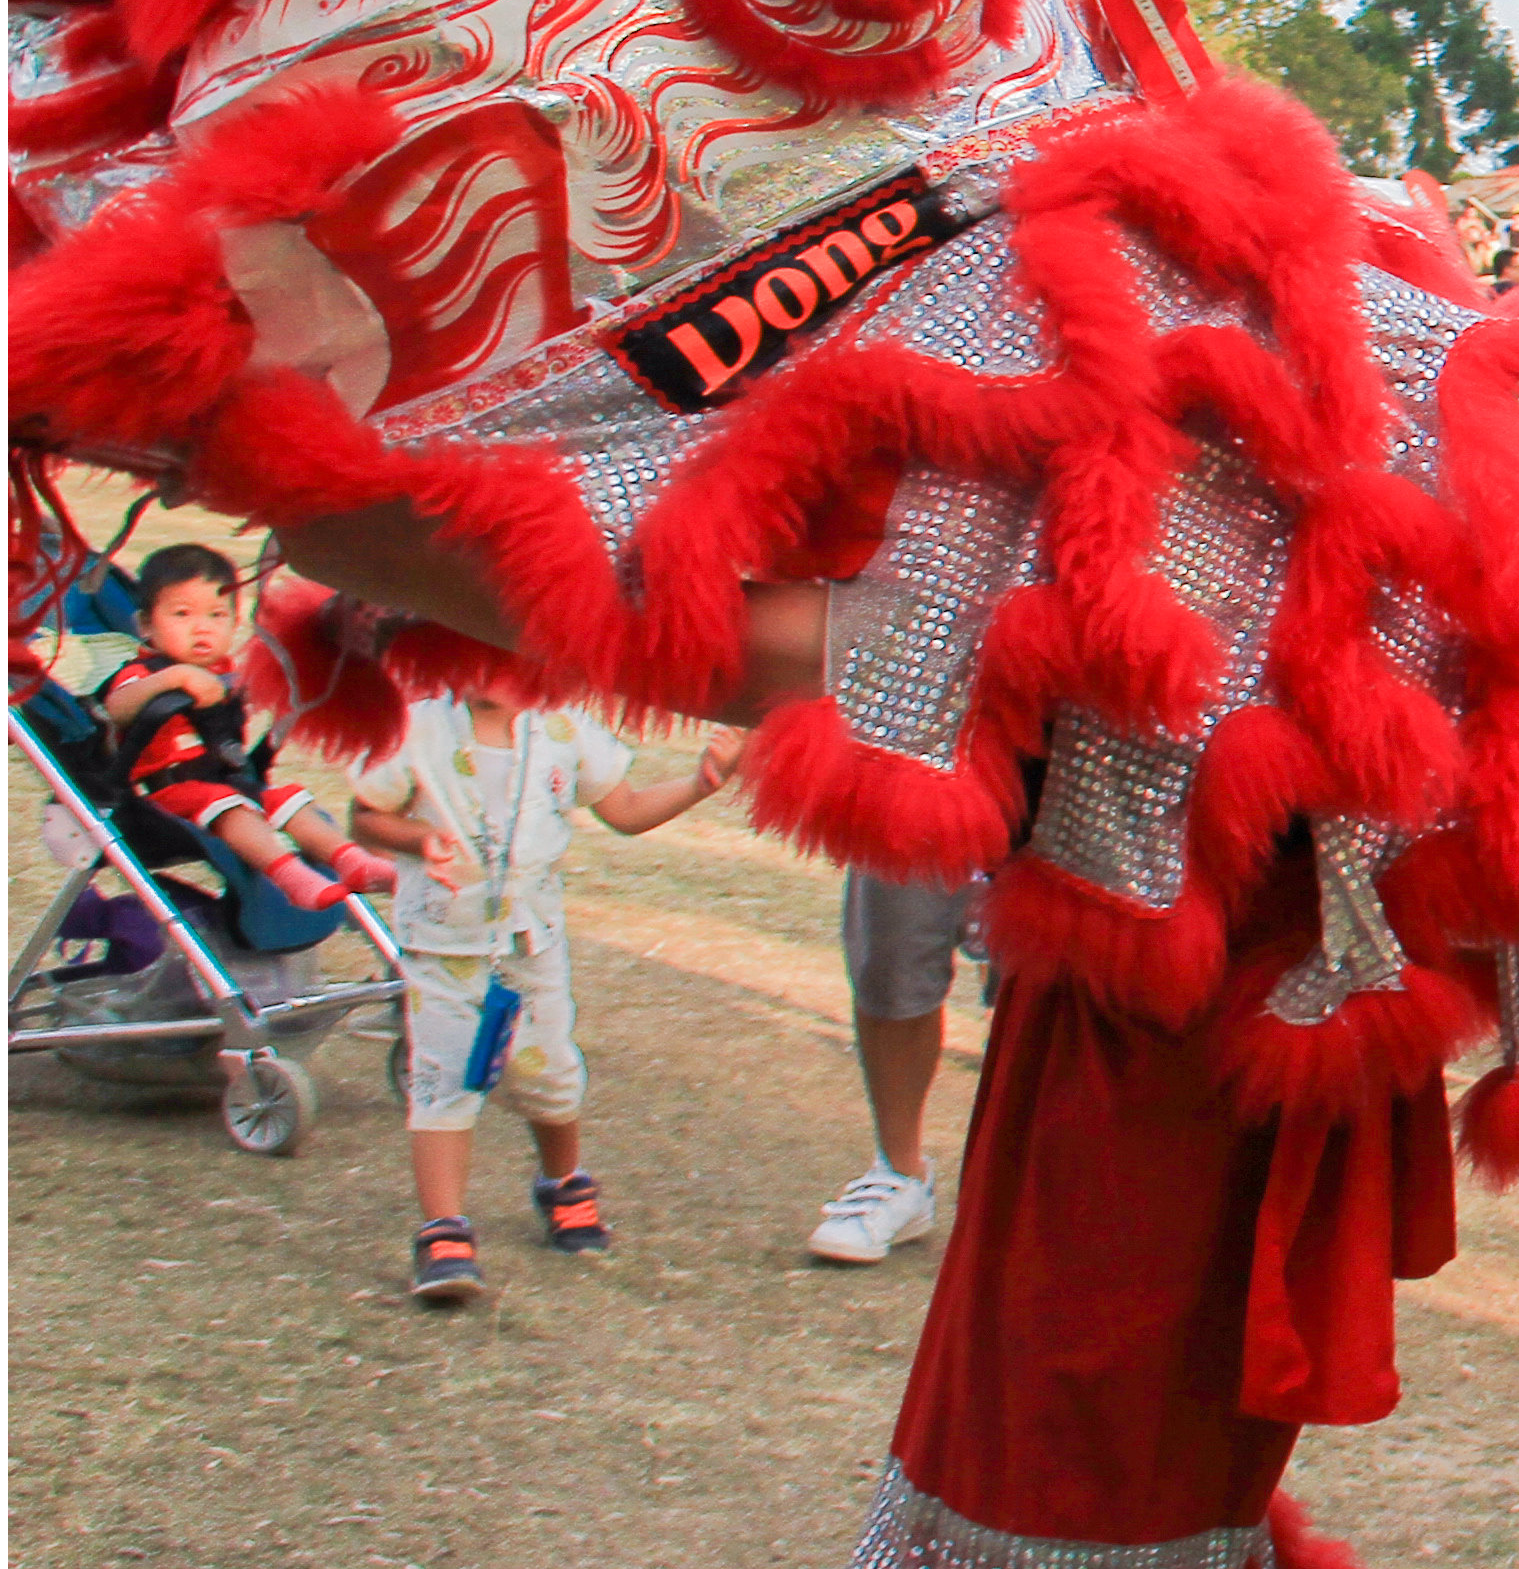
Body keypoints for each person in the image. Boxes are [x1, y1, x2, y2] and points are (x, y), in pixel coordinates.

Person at [344, 689, 735, 1306]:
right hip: (443, 941)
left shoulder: (565, 726)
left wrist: (702, 782)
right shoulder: (416, 725)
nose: (497, 666)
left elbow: (625, 809)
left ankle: (562, 1181)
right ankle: (442, 1231)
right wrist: (419, 840)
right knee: (440, 1081)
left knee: (550, 1073)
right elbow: (364, 813)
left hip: (530, 943)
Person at [93, 544, 398, 917]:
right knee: (236, 811)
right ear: (145, 626)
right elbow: (117, 708)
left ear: (235, 621)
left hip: (226, 781)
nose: (201, 627)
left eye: (217, 614)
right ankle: (290, 878)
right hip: (165, 794)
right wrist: (174, 678)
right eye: (181, 614)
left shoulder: (227, 674)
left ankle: (351, 860)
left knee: (290, 801)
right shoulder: (143, 673)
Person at [823, 871, 976, 1264]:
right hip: (923, 814)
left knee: (1064, 963)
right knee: (894, 945)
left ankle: (1051, 1188)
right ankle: (900, 1172)